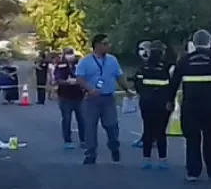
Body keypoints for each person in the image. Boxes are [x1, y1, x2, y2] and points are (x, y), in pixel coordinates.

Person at [169, 29, 211, 182]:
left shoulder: (185, 60)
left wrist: (169, 100)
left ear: (194, 43)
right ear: (209, 42)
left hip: (191, 105)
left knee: (192, 138)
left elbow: (174, 82)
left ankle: (193, 171)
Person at [75, 33, 134, 165]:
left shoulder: (112, 60)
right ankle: (90, 153)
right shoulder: (85, 61)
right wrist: (90, 89)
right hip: (92, 99)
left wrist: (127, 89)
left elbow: (119, 76)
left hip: (108, 98)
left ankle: (114, 146)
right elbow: (80, 78)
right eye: (105, 43)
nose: (108, 46)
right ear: (97, 45)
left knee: (111, 125)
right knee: (90, 127)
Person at [133, 40, 174, 170]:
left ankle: (147, 159)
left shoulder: (144, 67)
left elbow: (137, 83)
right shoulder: (167, 67)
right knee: (161, 131)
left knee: (148, 129)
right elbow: (171, 86)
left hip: (146, 102)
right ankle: (162, 159)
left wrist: (144, 95)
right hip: (162, 103)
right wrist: (169, 100)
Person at [54, 47, 86, 150]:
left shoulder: (80, 64)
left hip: (79, 95)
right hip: (65, 96)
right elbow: (58, 79)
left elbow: (85, 76)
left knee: (82, 119)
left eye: (71, 53)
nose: (69, 55)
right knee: (66, 119)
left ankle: (83, 140)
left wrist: (80, 82)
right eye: (67, 53)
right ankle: (67, 141)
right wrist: (67, 82)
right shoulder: (61, 65)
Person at [131, 40, 152, 149]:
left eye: (143, 49)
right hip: (142, 95)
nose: (141, 52)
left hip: (150, 96)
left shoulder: (152, 64)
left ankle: (150, 139)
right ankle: (147, 137)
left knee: (150, 119)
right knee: (146, 119)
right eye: (140, 49)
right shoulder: (142, 64)